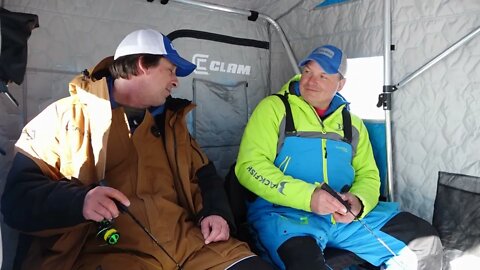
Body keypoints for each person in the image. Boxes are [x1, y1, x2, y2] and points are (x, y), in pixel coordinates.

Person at [1, 29, 273, 270]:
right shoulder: (65, 117)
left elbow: (206, 175)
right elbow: (17, 199)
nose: (176, 81)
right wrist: (79, 201)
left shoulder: (173, 123)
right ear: (143, 65)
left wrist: (216, 213)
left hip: (194, 247)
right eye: (171, 70)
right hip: (111, 253)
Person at [235, 45, 444, 270]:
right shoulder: (273, 109)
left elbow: (369, 175)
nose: (311, 81)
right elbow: (249, 166)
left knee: (424, 242)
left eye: (323, 75)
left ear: (341, 83)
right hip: (285, 217)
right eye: (308, 72)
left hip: (344, 218)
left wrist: (360, 202)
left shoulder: (352, 124)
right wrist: (308, 197)